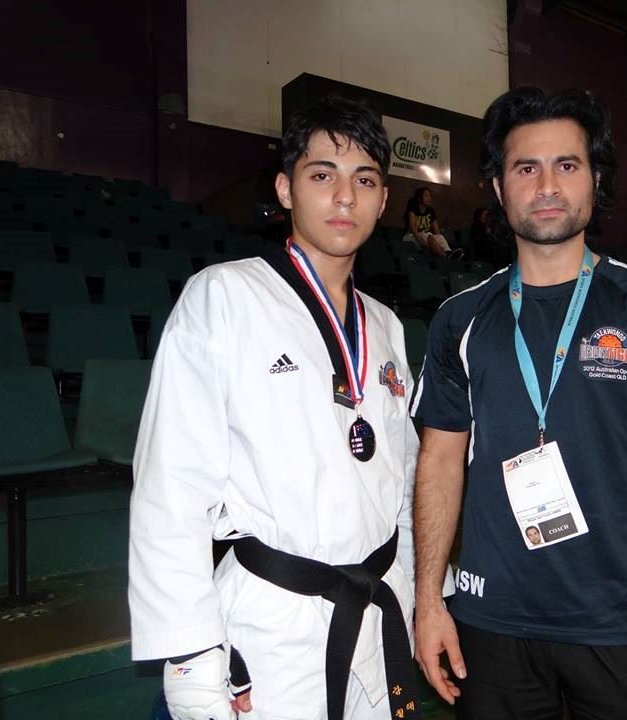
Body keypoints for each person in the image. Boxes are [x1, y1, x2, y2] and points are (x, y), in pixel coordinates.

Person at [410, 87, 627, 720]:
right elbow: (439, 462)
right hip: (492, 624)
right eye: (525, 168)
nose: (546, 185)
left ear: (595, 178)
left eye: (566, 165)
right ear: (498, 186)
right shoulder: (461, 318)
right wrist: (428, 601)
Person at [129, 96, 433, 720]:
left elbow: (402, 482)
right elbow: (171, 486)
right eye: (322, 174)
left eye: (365, 180)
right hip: (271, 626)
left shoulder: (386, 325)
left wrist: (416, 599)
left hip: (377, 612)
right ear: (285, 189)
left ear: (383, 200)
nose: (344, 196)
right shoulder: (223, 297)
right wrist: (190, 657)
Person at [403, 187, 462, 258]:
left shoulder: (431, 211)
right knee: (428, 235)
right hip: (411, 237)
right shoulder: (413, 208)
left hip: (426, 237)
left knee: (439, 236)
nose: (429, 198)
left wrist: (437, 243)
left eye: (430, 196)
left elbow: (437, 232)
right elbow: (412, 227)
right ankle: (445, 256)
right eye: (426, 196)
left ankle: (448, 252)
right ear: (419, 199)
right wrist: (423, 242)